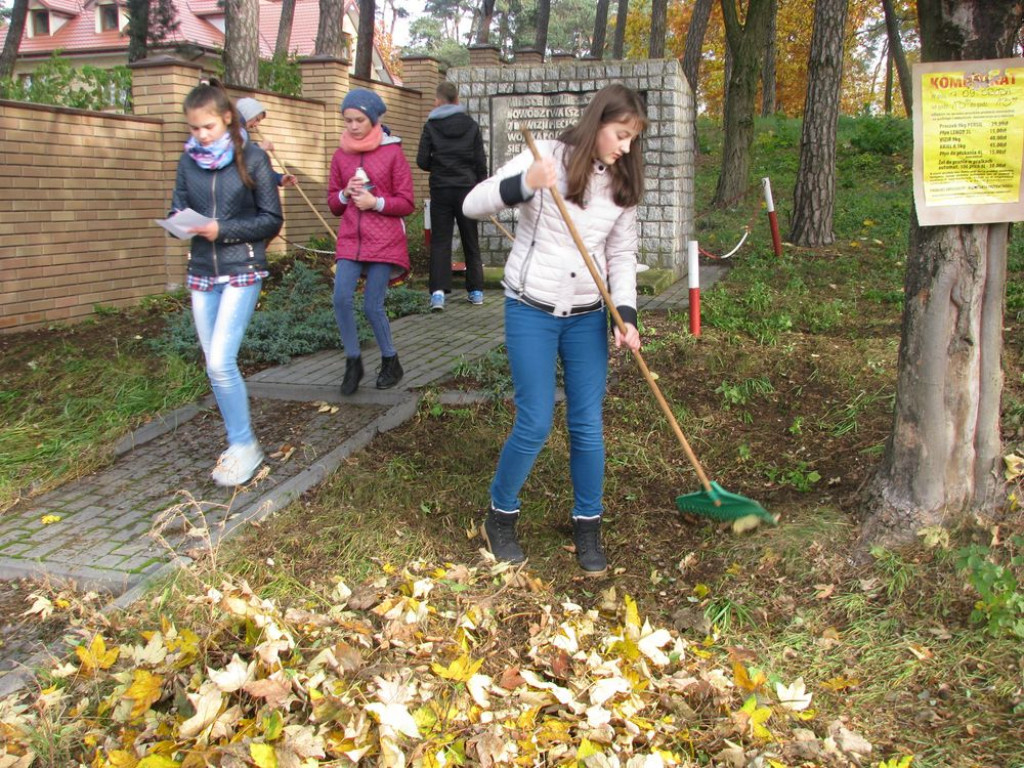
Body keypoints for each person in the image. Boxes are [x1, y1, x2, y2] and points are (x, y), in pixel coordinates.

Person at [462, 83, 647, 577]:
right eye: (621, 134)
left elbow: (621, 256)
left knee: (587, 424)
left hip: (588, 314)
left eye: (632, 138)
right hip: (531, 311)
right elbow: (472, 204)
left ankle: (588, 524)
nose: (626, 147)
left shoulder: (622, 184)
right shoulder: (544, 155)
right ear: (597, 122)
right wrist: (525, 183)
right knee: (536, 419)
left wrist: (624, 315)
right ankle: (499, 515)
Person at [171, 80, 284, 486]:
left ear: (226, 119)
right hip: (202, 271)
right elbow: (177, 208)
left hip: (243, 269)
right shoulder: (188, 162)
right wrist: (180, 226)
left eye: (206, 127)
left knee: (221, 361)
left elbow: (271, 219)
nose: (199, 135)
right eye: (193, 128)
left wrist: (224, 230)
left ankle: (244, 446)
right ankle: (241, 443)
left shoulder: (252, 158)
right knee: (215, 367)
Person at [327, 88, 415, 394]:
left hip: (385, 241)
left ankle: (391, 361)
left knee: (372, 305)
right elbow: (334, 205)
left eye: (359, 120)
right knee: (340, 298)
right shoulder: (340, 155)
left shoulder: (393, 153)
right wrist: (344, 193)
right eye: (347, 119)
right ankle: (353, 361)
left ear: (373, 119)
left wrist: (375, 203)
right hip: (351, 238)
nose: (352, 126)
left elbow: (406, 202)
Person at [416, 81, 488, 312]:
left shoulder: (431, 126)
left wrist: (439, 165)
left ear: (438, 101)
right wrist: (481, 187)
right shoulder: (471, 125)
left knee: (440, 241)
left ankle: (438, 293)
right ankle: (476, 291)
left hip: (441, 189)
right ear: (457, 100)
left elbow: (422, 160)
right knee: (470, 238)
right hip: (467, 189)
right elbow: (480, 161)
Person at [235, 97, 298, 188]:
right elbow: (240, 161)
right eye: (257, 119)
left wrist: (279, 178)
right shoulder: (234, 132)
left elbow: (256, 168)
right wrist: (259, 149)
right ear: (248, 113)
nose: (256, 125)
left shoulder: (243, 135)